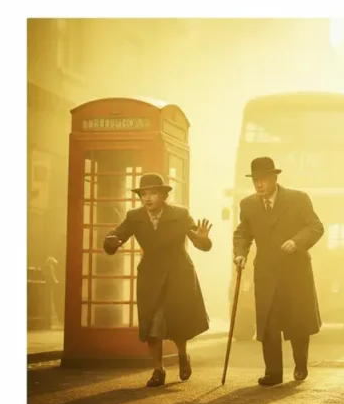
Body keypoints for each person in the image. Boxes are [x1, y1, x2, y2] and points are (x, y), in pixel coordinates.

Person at [103, 173, 213, 387]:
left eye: (153, 193)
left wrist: (203, 238)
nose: (148, 198)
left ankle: (182, 355)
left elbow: (200, 243)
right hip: (150, 277)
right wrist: (112, 243)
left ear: (163, 195)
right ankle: (158, 370)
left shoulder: (180, 214)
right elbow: (115, 237)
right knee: (151, 324)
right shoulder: (135, 216)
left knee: (177, 322)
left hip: (178, 273)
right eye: (144, 193)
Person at [232, 157, 324, 386]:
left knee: (298, 320)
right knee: (268, 323)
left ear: (274, 178)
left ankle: (300, 365)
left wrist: (297, 241)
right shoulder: (248, 204)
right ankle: (273, 373)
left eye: (263, 179)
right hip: (266, 272)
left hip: (296, 269)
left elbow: (315, 227)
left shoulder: (298, 199)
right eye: (255, 180)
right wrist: (240, 252)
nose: (259, 184)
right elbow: (243, 232)